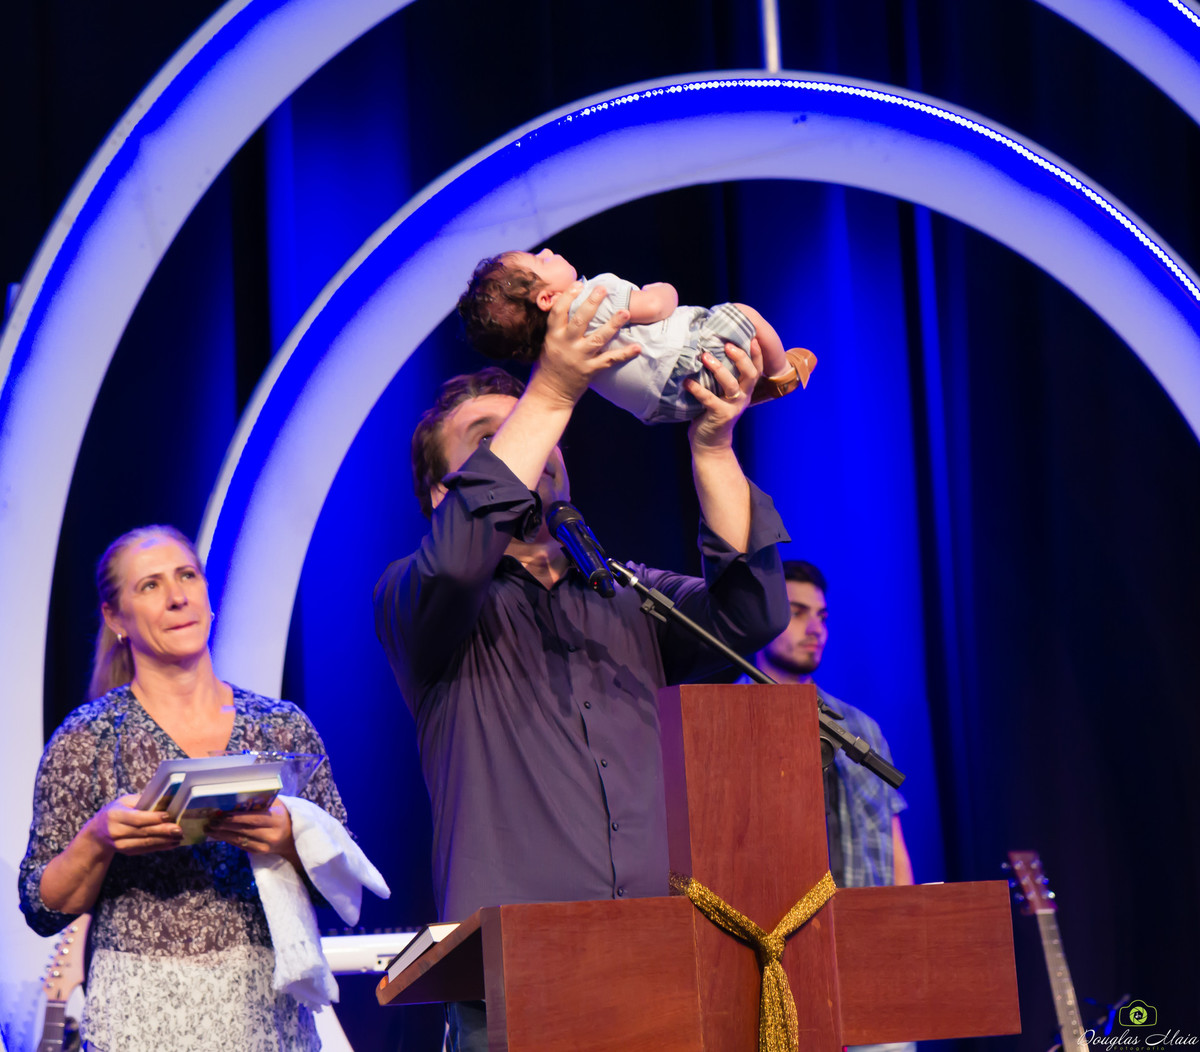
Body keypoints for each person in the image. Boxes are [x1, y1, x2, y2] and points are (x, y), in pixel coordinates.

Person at [374, 286, 791, 1049]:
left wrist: (713, 447)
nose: (527, 447)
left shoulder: (626, 593)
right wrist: (553, 386)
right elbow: (462, 554)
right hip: (515, 982)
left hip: (659, 958)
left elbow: (751, 615)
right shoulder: (417, 599)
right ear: (443, 491)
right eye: (487, 439)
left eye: (535, 431)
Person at [19, 525, 351, 1051]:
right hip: (140, 1018)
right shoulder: (89, 738)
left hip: (265, 1016)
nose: (177, 597)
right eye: (149, 586)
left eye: (187, 576)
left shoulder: (280, 726)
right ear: (115, 617)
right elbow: (41, 906)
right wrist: (99, 838)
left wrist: (290, 837)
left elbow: (342, 883)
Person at [456, 247, 816, 424]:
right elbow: (658, 305)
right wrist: (662, 287)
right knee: (746, 315)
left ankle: (755, 383)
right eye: (540, 260)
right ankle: (781, 372)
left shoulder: (554, 349)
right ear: (547, 299)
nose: (548, 251)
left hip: (664, 409)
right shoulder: (590, 297)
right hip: (689, 362)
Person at [751, 559, 913, 888]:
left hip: (867, 924)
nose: (815, 629)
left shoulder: (860, 727)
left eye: (821, 617)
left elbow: (892, 842)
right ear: (759, 618)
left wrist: (908, 925)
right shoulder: (717, 722)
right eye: (797, 613)